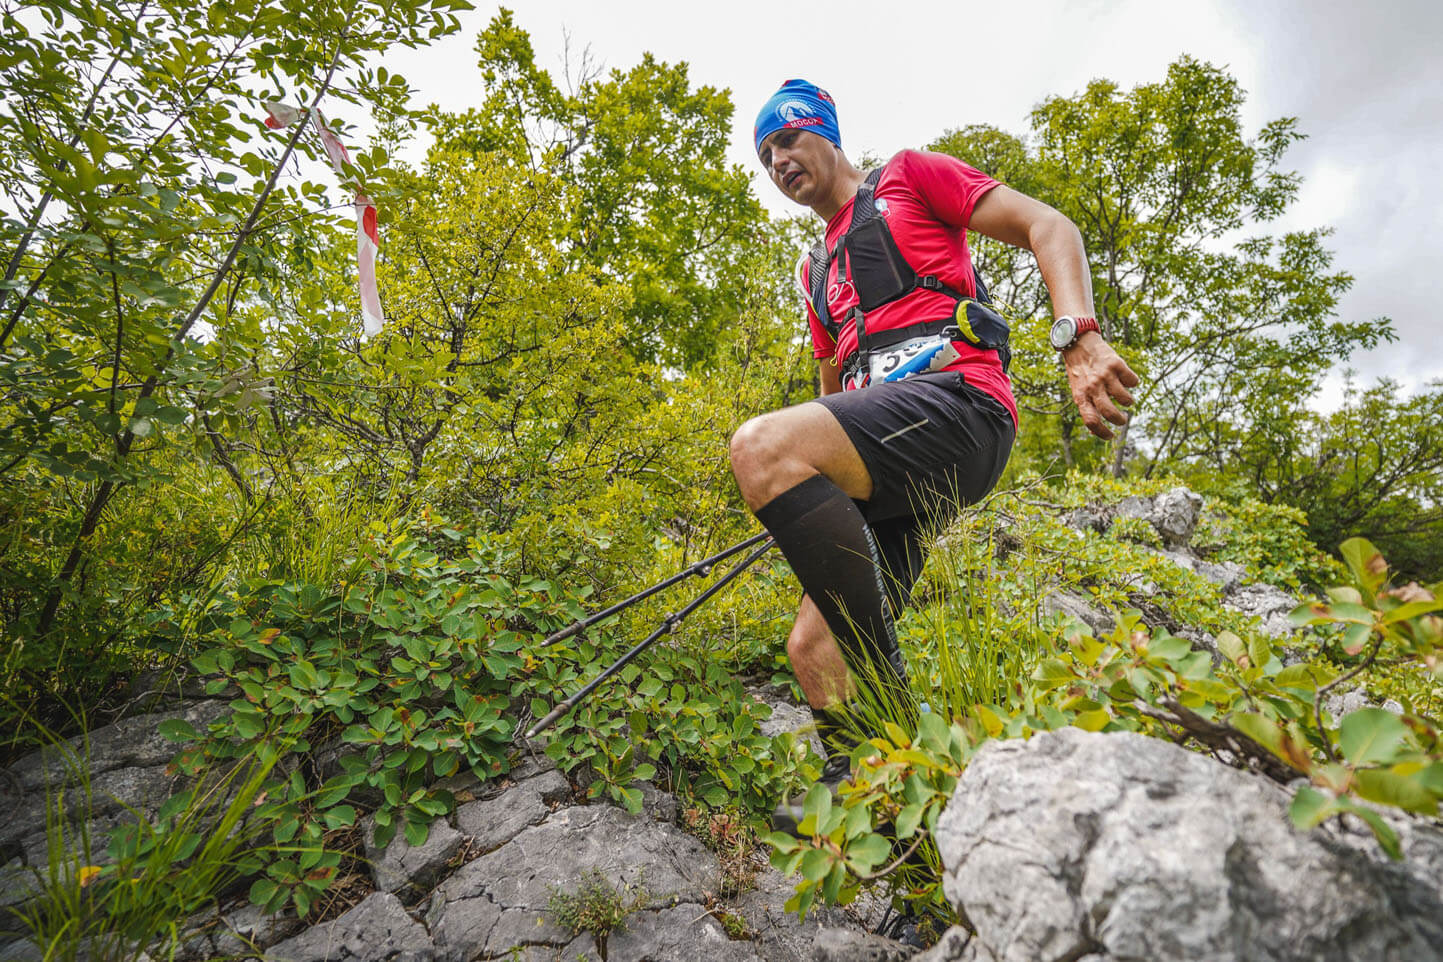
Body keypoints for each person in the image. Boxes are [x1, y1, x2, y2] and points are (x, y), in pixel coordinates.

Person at [729, 80, 1139, 829]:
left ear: (825, 133)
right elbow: (831, 394)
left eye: (786, 139)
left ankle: (891, 734)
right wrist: (803, 499)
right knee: (812, 649)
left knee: (759, 445)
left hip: (962, 407)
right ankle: (891, 820)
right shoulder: (814, 272)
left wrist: (1078, 336)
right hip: (890, 457)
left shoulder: (908, 178)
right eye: (765, 156)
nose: (778, 161)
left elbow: (1049, 225)